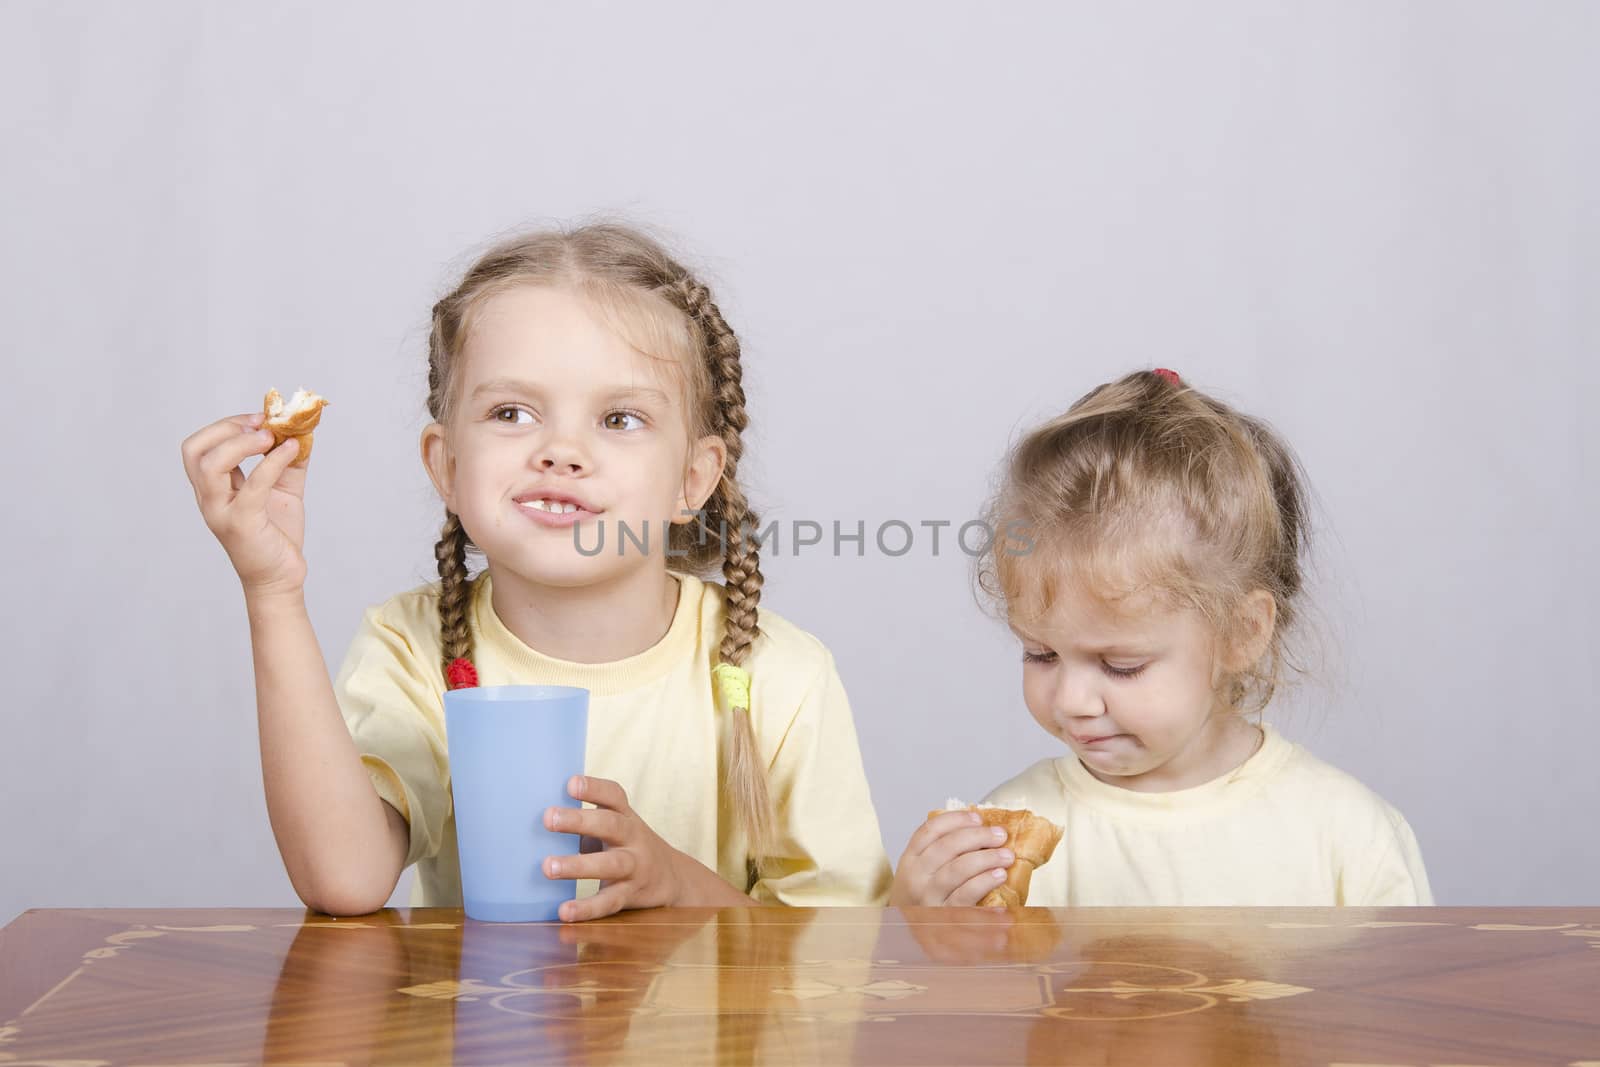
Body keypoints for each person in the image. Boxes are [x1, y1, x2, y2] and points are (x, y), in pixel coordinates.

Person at [182, 223, 892, 920]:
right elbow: (345, 877)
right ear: (448, 467)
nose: (561, 449)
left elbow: (841, 958)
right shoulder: (414, 646)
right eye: (512, 411)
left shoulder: (784, 678)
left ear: (694, 478)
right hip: (488, 1040)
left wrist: (678, 884)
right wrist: (272, 594)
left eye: (619, 419)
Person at [891, 369, 1431, 907]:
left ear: (1241, 635)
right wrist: (917, 926)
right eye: (1041, 654)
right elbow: (940, 989)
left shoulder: (1349, 841)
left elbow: (1404, 993)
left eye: (1121, 665)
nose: (1071, 701)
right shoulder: (1001, 846)